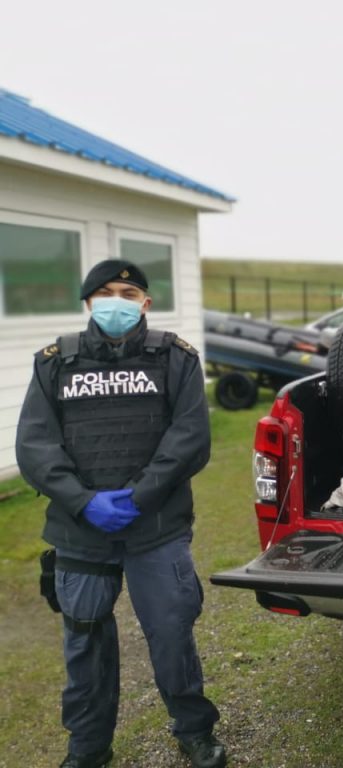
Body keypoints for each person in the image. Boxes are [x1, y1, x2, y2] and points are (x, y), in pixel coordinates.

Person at [15, 260, 227, 768]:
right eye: (106, 292)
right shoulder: (54, 363)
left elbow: (190, 439)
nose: (117, 301)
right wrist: (83, 500)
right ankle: (88, 749)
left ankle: (195, 731)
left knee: (172, 633)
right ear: (88, 303)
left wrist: (138, 497)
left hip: (157, 527)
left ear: (146, 303)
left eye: (128, 293)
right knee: (85, 641)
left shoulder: (176, 359)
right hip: (81, 531)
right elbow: (35, 445)